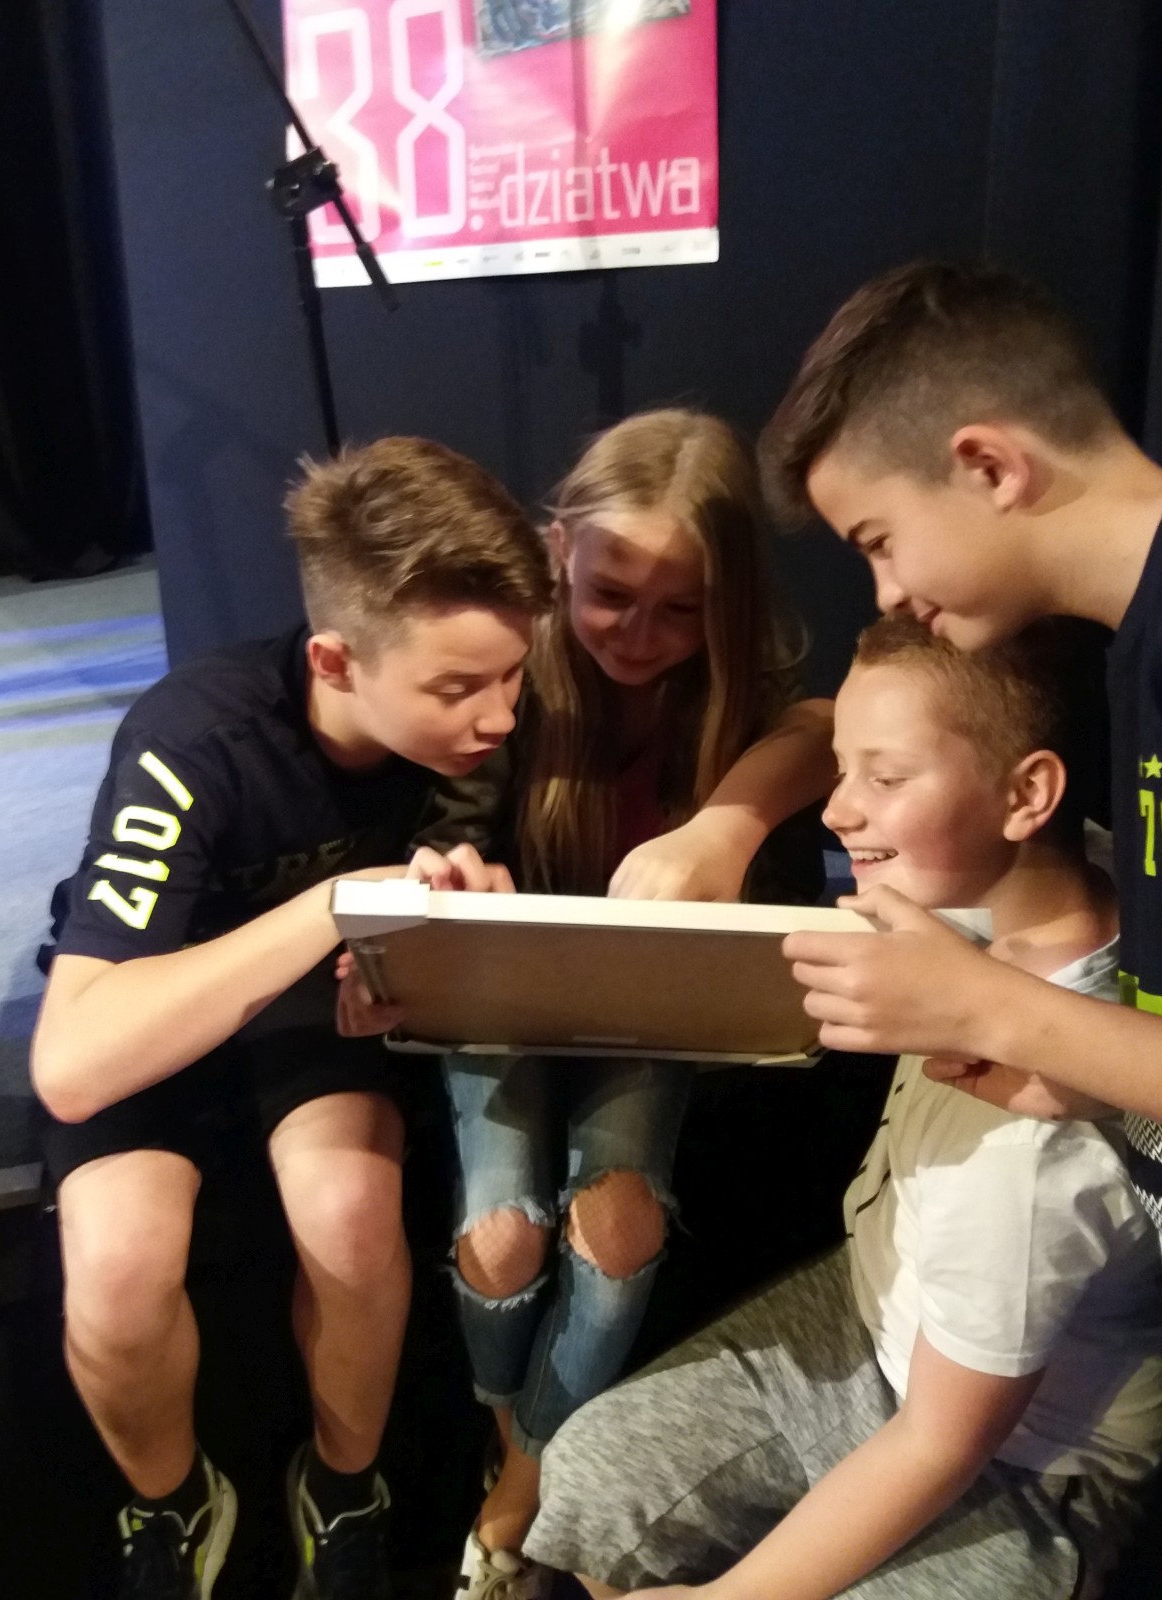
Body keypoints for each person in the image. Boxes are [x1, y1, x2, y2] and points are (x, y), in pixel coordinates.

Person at [525, 615, 1162, 1599]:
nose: (835, 809)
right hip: (884, 1311)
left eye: (885, 778)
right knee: (591, 1478)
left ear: (1027, 794)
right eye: (842, 769)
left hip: (1032, 1457)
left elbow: (943, 1439)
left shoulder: (1025, 1160)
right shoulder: (1071, 871)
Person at [30, 438, 552, 1600]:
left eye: (514, 676)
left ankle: (344, 1488)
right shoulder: (191, 739)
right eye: (459, 688)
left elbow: (420, 961)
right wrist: (333, 906)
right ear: (334, 659)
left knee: (355, 1222)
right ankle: (170, 1502)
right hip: (162, 996)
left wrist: (436, 960)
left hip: (304, 1020)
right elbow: (73, 1062)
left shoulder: (473, 743)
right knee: (117, 1271)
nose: (499, 715)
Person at [341, 408, 837, 1599]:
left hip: (648, 1014)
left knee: (618, 1224)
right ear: (558, 548)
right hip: (501, 994)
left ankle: (520, 1471)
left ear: (725, 603)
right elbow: (451, 814)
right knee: (502, 1236)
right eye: (612, 594)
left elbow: (829, 727)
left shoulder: (743, 700)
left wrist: (725, 830)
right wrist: (451, 880)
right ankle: (522, 1441)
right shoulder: (512, 672)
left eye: (681, 609)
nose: (640, 635)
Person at [758, 260, 1162, 1237]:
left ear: (989, 467)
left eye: (879, 539)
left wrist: (987, 1006)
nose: (887, 592)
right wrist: (1096, 1078)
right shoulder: (1133, 652)